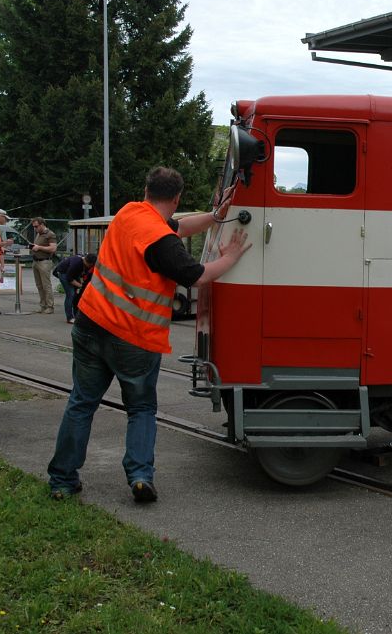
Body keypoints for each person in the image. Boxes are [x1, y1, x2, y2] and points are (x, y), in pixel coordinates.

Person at [47, 167, 251, 502]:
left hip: (90, 324)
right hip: (133, 338)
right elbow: (198, 276)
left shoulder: (129, 213)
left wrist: (215, 216)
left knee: (81, 403)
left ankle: (62, 480)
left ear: (146, 191)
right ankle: (140, 476)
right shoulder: (162, 242)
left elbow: (178, 227)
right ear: (177, 198)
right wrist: (230, 256)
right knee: (141, 409)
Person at [54, 253, 97, 323]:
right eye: (91, 265)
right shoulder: (76, 264)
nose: (91, 267)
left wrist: (82, 285)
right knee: (70, 294)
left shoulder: (86, 264)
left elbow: (84, 276)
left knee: (77, 294)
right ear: (88, 262)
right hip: (64, 273)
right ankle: (70, 318)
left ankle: (76, 315)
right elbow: (69, 278)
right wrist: (80, 285)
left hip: (73, 274)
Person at [30, 217, 58, 313]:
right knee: (39, 285)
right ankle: (43, 305)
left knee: (46, 285)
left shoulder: (50, 234)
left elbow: (53, 248)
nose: (35, 228)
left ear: (42, 224)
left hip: (45, 262)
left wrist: (39, 247)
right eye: (34, 227)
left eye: (36, 226)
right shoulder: (39, 234)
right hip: (36, 261)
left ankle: (50, 306)